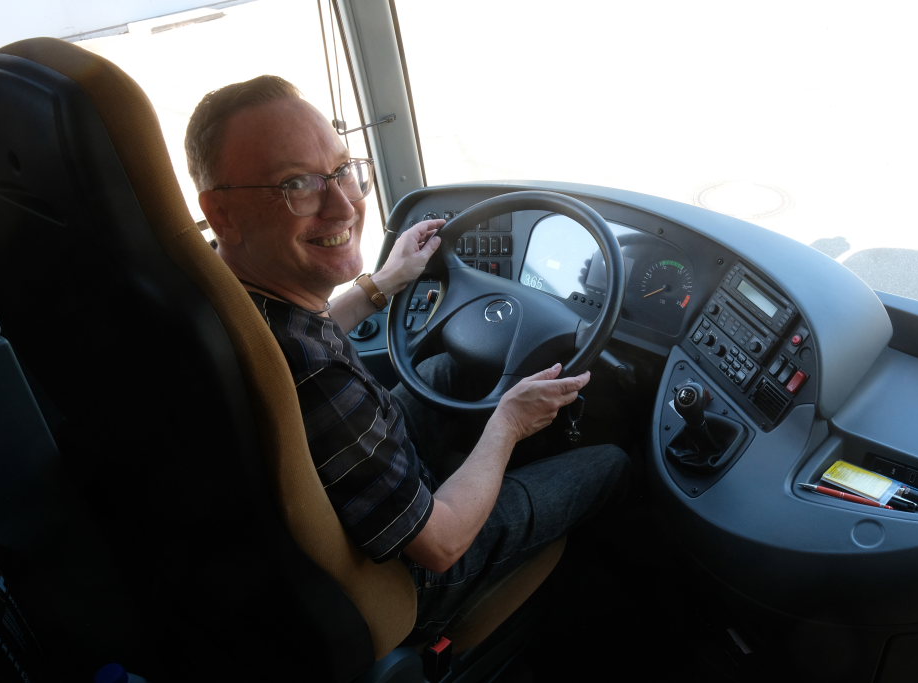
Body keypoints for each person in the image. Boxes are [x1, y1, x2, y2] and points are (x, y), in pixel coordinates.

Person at [184, 75, 629, 640]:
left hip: (330, 516)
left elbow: (295, 333)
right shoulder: (313, 374)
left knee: (449, 371)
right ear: (222, 213)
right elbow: (440, 545)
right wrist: (509, 424)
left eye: (342, 170)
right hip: (413, 578)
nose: (344, 205)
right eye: (296, 184)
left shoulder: (223, 298)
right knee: (611, 460)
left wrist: (385, 282)